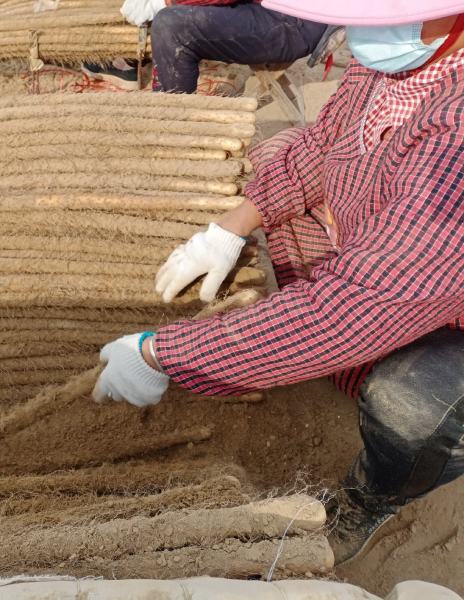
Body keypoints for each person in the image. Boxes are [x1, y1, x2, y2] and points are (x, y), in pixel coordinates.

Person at [93, 0, 464, 565]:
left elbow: (356, 306)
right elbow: (324, 144)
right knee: (278, 160)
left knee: (412, 402)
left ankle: (372, 498)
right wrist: (230, 226)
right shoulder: (396, 59)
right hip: (400, 271)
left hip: (427, 298)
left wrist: (161, 354)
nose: (360, 27)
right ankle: (326, 361)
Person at [82, 0, 328, 93]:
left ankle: (174, 122)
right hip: (270, 8)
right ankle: (131, 62)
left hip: (293, 19)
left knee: (173, 25)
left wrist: (166, 1)